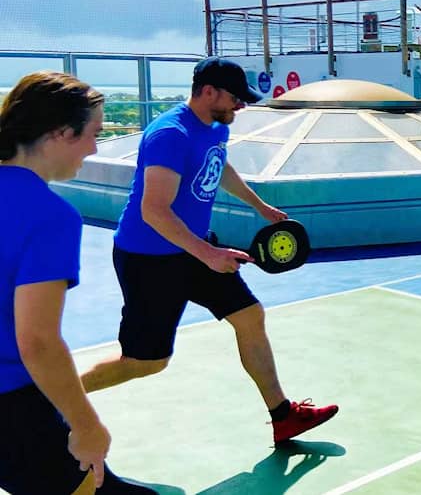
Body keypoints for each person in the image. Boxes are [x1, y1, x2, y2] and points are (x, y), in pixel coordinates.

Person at [80, 57, 337, 444]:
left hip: (192, 248)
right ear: (209, 91)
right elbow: (153, 210)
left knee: (249, 316)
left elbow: (219, 166)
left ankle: (283, 416)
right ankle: (47, 394)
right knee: (146, 362)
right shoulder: (171, 135)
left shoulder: (215, 126)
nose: (241, 105)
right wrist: (209, 255)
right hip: (148, 259)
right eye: (235, 97)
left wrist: (259, 205)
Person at [0, 71, 154, 494]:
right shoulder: (49, 216)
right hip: (12, 406)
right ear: (59, 133)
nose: (94, 147)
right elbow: (38, 341)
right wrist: (86, 425)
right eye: (92, 134)